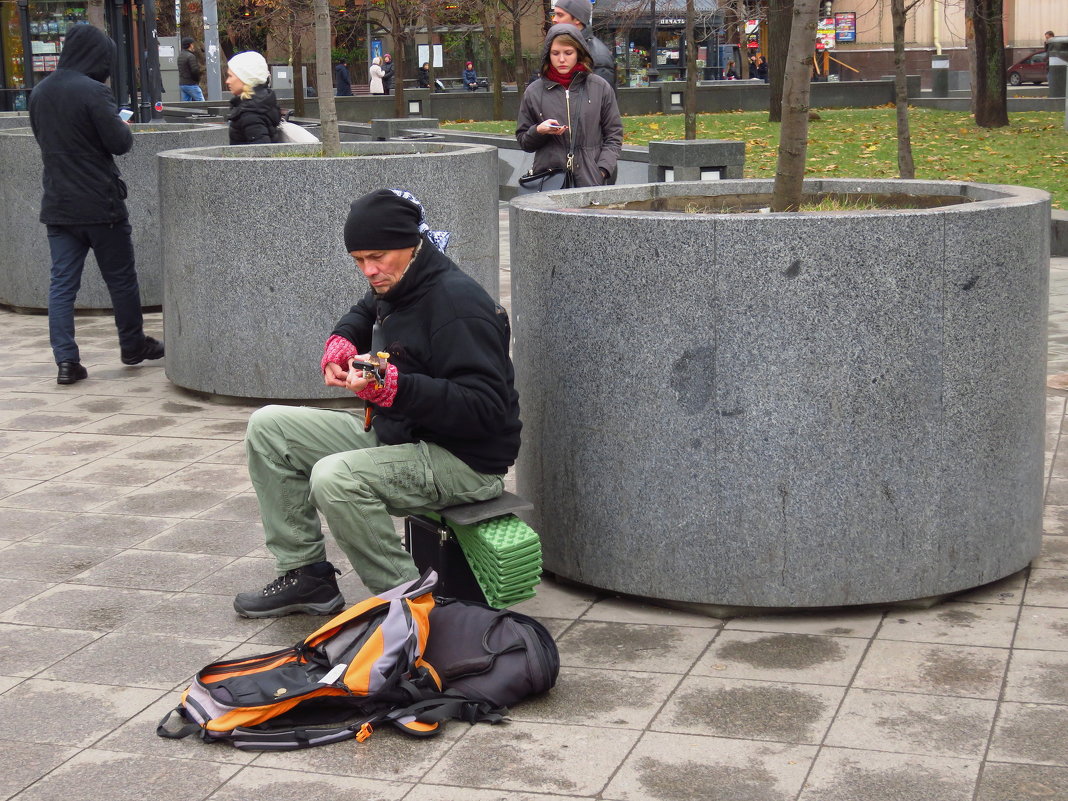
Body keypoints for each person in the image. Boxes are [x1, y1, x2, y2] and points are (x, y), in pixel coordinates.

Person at [233, 188, 521, 618]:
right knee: (270, 426)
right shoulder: (402, 277)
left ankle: (412, 610)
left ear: (412, 244)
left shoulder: (457, 305)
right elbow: (366, 308)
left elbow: (485, 408)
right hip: (402, 434)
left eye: (377, 257)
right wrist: (341, 342)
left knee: (336, 478)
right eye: (358, 260)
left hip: (465, 461)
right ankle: (307, 577)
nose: (368, 271)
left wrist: (393, 387)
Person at [28, 24, 163, 385]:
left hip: (58, 204)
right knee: (120, 279)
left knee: (61, 284)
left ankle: (67, 362)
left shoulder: (39, 92)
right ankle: (132, 345)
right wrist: (120, 121)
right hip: (100, 205)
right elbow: (119, 143)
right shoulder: (94, 93)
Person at [516, 24, 622, 187]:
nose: (562, 59)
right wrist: (538, 131)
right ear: (548, 55)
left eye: (568, 53)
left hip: (590, 181)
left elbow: (614, 135)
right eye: (555, 53)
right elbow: (524, 141)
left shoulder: (599, 87)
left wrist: (602, 170)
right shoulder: (534, 91)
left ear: (579, 53)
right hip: (550, 182)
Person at [551, 0, 616, 90]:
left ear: (577, 19)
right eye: (555, 14)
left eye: (560, 15)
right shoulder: (558, 44)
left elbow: (603, 99)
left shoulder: (598, 56)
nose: (554, 19)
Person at [225, 51, 281, 145]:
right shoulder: (258, 105)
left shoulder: (250, 114)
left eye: (231, 76)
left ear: (246, 78)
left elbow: (262, 152)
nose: (227, 81)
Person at [177, 37, 204, 101]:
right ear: (190, 45)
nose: (193, 46)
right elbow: (195, 70)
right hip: (191, 84)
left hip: (183, 84)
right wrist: (197, 80)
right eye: (193, 44)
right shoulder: (191, 56)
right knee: (202, 102)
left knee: (186, 105)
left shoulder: (180, 56)